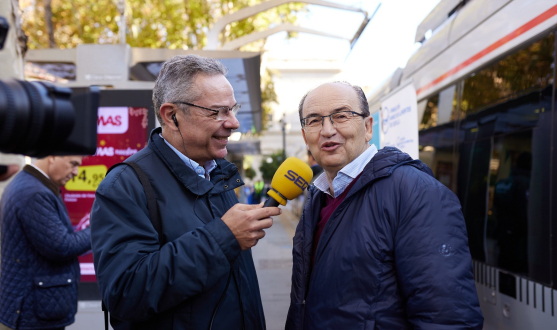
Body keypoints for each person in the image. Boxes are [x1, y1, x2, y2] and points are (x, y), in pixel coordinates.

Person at [90, 55, 281, 330]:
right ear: (172, 116)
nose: (234, 123)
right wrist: (223, 237)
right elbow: (125, 293)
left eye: (233, 109)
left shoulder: (219, 175)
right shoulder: (124, 186)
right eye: (218, 112)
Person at [285, 82, 483, 329]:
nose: (327, 130)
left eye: (341, 116)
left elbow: (447, 318)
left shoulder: (416, 192)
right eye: (314, 121)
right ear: (305, 136)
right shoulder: (317, 196)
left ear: (368, 127)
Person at [0, 156, 90, 330]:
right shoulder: (34, 193)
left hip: (30, 308)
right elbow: (62, 246)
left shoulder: (30, 184)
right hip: (32, 314)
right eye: (73, 164)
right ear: (53, 157)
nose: (76, 172)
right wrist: (97, 228)